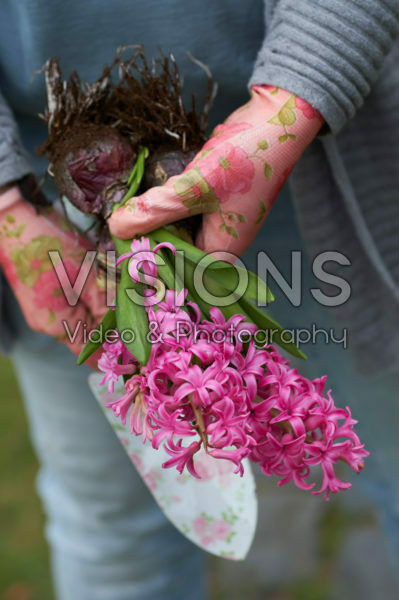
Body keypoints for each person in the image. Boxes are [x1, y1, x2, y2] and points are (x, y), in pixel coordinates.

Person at [1, 1, 399, 599]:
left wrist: (288, 106)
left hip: (321, 147)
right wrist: (6, 205)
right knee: (113, 527)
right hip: (50, 199)